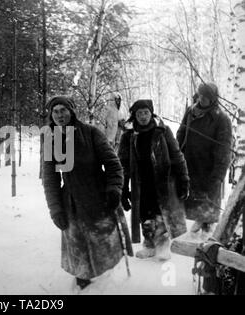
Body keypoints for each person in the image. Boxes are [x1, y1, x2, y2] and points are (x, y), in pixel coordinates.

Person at [42, 96, 125, 291]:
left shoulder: (91, 133)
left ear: (72, 111)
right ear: (51, 115)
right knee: (77, 244)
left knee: (102, 240)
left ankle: (106, 276)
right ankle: (83, 279)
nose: (60, 115)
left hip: (99, 195)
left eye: (64, 110)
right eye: (55, 111)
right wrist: (55, 209)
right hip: (71, 201)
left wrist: (114, 189)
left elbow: (113, 165)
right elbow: (50, 179)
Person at [118, 99, 189, 260]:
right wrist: (123, 189)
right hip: (140, 184)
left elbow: (177, 156)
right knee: (145, 215)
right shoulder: (128, 136)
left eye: (146, 112)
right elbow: (122, 164)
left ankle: (163, 246)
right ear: (134, 116)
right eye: (139, 113)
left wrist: (184, 179)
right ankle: (149, 245)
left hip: (162, 182)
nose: (143, 116)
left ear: (152, 113)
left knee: (160, 214)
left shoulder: (163, 132)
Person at [176, 83, 233, 236]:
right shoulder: (191, 111)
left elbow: (224, 148)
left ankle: (207, 228)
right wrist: (177, 152)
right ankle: (199, 221)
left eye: (206, 97)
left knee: (209, 196)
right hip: (190, 162)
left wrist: (218, 175)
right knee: (193, 196)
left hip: (208, 165)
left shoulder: (221, 118)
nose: (202, 99)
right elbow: (181, 132)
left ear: (213, 98)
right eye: (200, 95)